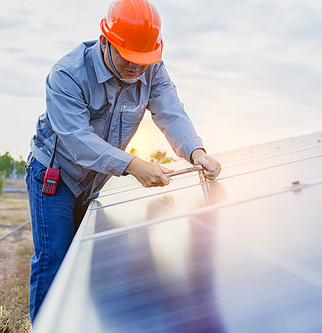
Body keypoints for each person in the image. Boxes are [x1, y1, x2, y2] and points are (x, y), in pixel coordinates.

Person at [25, 0, 221, 323]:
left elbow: (170, 110)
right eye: (128, 58)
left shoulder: (151, 68)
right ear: (105, 41)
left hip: (94, 182)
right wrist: (132, 165)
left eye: (143, 60)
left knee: (87, 260)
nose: (136, 68)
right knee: (55, 260)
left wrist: (196, 152)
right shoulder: (66, 75)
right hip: (55, 177)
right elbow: (78, 141)